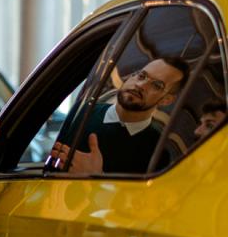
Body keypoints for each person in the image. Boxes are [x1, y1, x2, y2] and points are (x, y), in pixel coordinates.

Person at [50, 57, 189, 174]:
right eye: (142, 76)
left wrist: (97, 178)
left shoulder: (159, 149)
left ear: (167, 100)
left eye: (157, 85)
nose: (140, 85)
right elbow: (52, 168)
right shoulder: (83, 112)